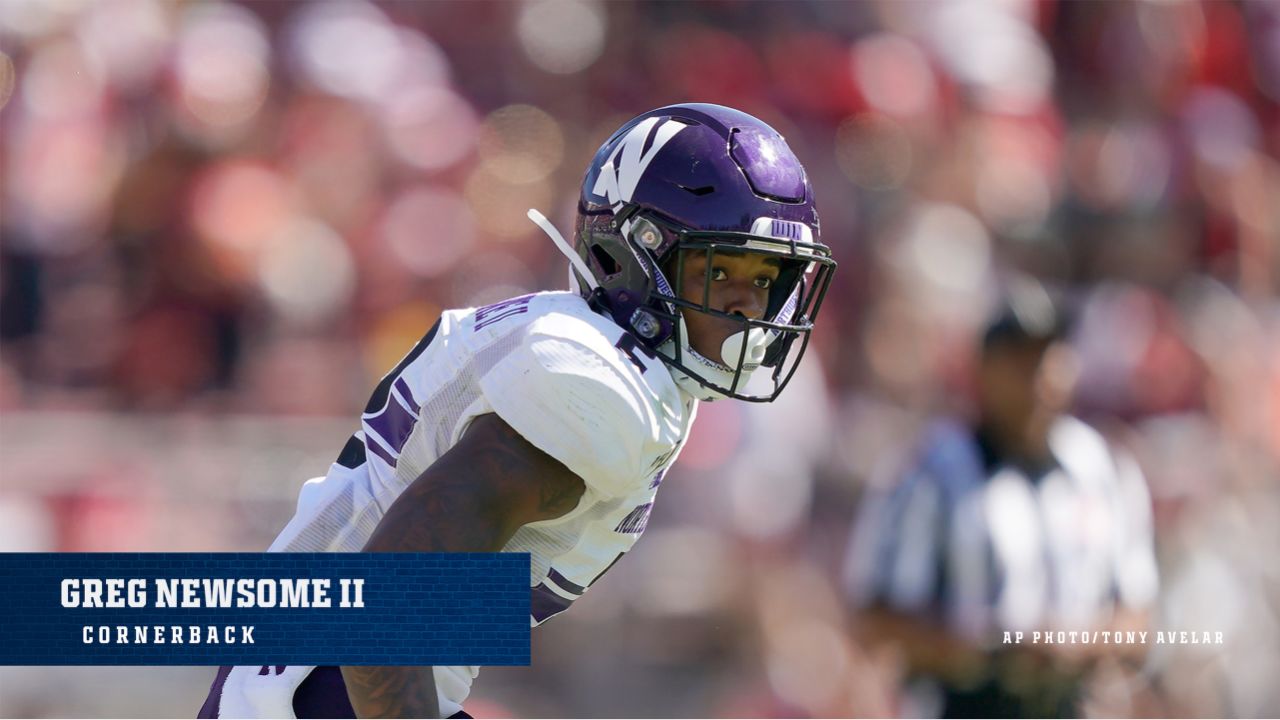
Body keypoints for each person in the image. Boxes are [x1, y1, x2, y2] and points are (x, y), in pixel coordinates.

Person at [198, 103, 836, 719]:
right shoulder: (597, 388)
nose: (749, 307)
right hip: (329, 688)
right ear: (634, 256)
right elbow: (382, 613)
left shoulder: (597, 350)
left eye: (766, 279)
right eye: (720, 272)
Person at [842, 282, 1158, 718]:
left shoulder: (1103, 469)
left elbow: (1137, 617)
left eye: (1047, 357)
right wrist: (994, 654)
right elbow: (875, 620)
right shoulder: (929, 473)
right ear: (983, 371)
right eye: (1019, 362)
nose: (1038, 377)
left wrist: (1078, 644)